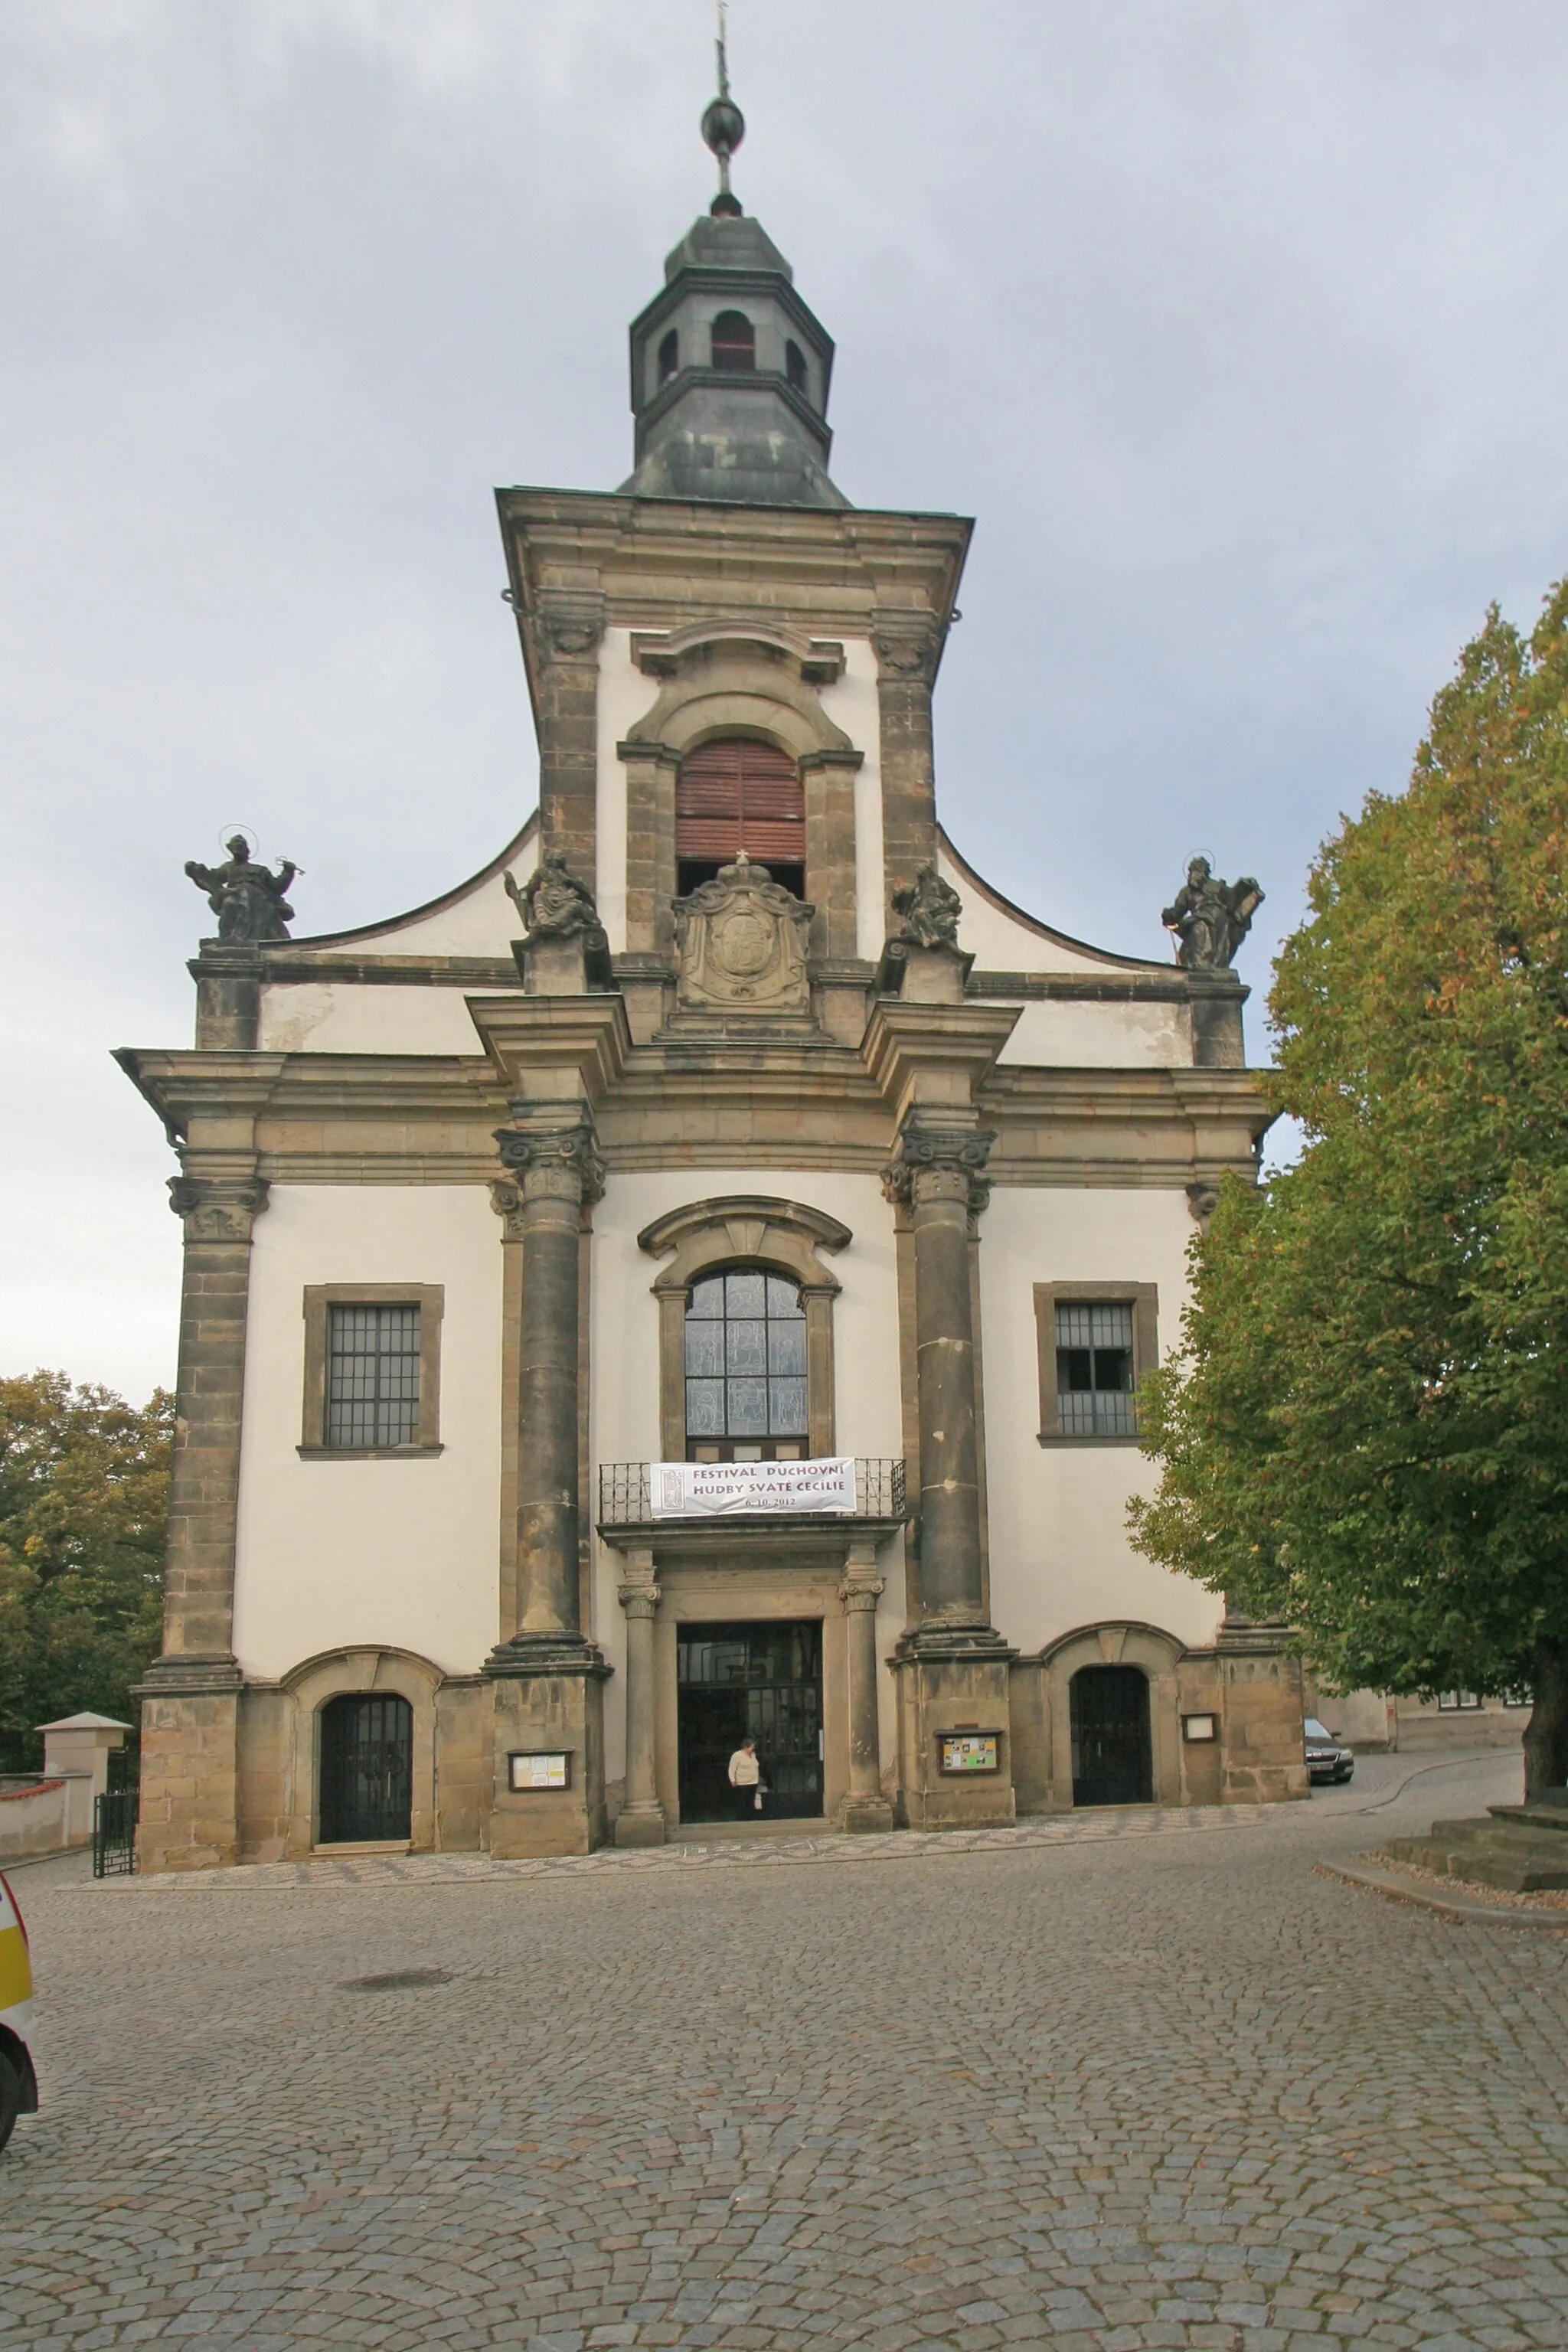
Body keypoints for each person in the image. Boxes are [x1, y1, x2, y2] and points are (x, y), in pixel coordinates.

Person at [727, 1734, 765, 1821]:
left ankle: (750, 1818)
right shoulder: (737, 1755)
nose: (753, 1748)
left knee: (751, 1802)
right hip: (742, 1783)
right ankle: (741, 1819)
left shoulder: (753, 1755)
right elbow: (732, 1768)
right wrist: (732, 1779)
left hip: (753, 1782)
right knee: (742, 1802)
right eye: (752, 1747)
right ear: (746, 1747)